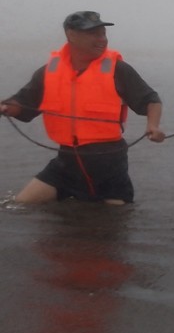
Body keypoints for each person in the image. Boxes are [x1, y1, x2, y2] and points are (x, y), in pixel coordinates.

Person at [0, 11, 165, 205]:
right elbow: (22, 103)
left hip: (107, 164)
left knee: (114, 220)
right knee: (18, 205)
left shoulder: (117, 69)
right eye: (93, 34)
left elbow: (151, 100)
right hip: (66, 163)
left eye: (103, 33)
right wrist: (6, 108)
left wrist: (153, 125)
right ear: (71, 35)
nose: (102, 39)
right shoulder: (49, 71)